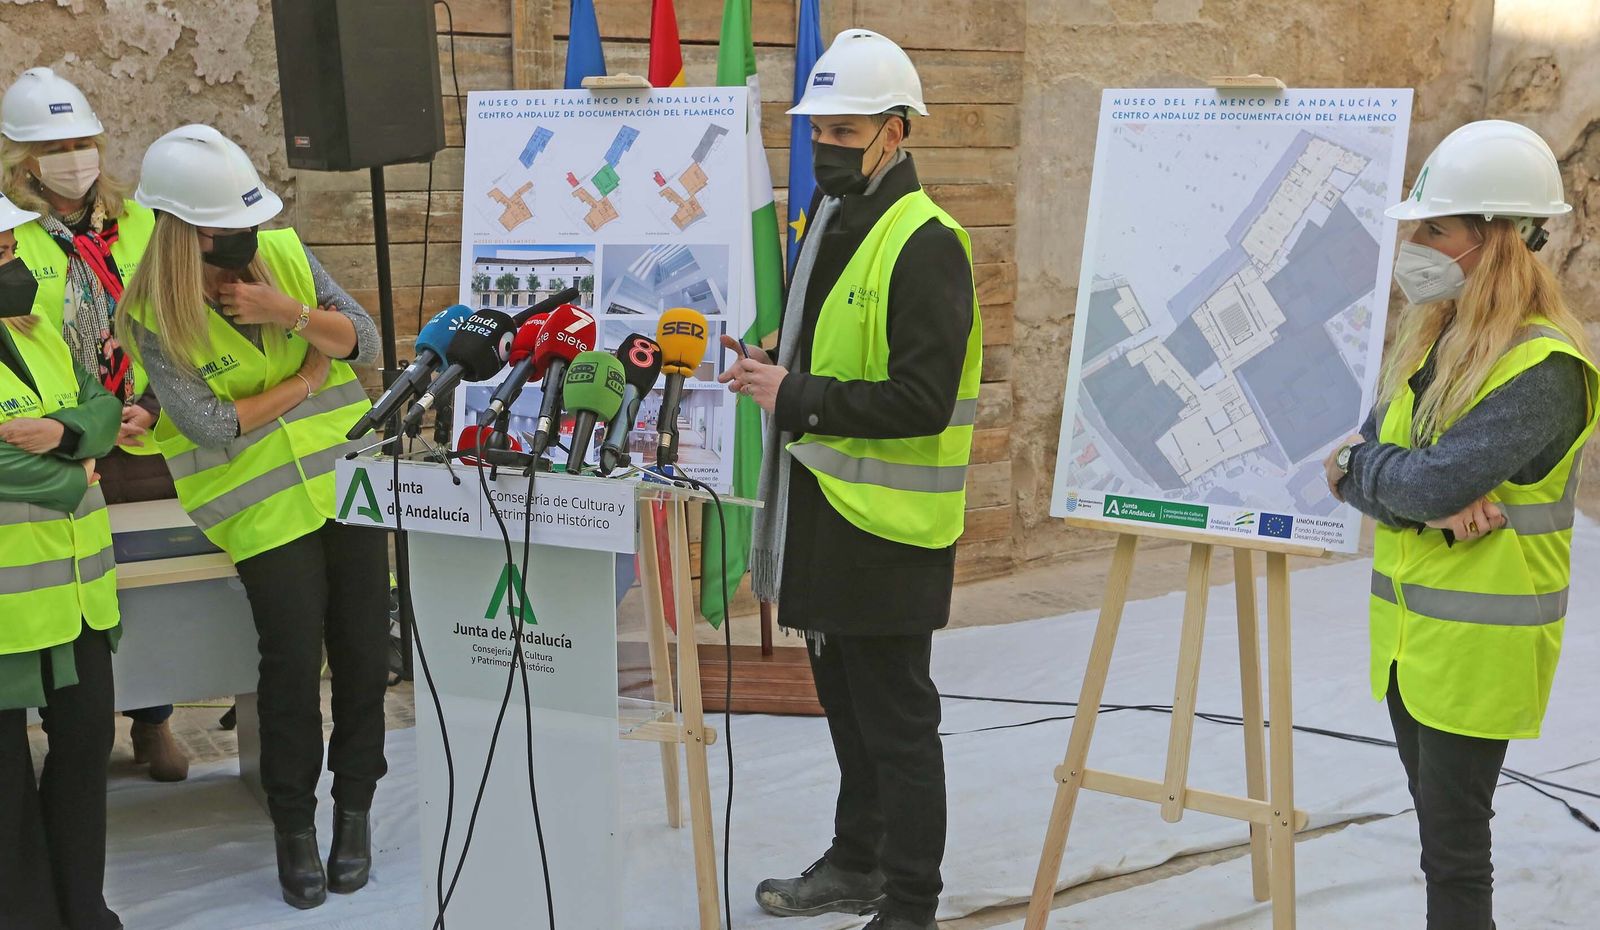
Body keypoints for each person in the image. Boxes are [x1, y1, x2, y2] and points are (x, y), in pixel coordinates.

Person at [722, 29, 983, 930]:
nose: (824, 146)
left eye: (843, 131)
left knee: (898, 725)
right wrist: (772, 360)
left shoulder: (927, 242)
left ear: (895, 134)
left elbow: (919, 396)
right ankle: (857, 860)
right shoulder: (834, 220)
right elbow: (829, 350)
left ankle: (911, 902)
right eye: (817, 130)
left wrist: (793, 391)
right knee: (846, 714)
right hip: (824, 514)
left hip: (888, 531)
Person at [1326, 119, 1598, 930]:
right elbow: (1372, 466)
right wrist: (1375, 477)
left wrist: (1371, 474)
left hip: (1479, 656)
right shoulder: (1434, 342)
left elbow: (1407, 474)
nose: (1414, 244)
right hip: (1412, 645)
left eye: (1434, 228)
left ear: (1499, 240)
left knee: (1452, 852)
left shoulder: (1544, 370)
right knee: (1436, 839)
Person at [116, 124, 389, 910]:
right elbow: (211, 424)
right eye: (221, 235)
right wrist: (307, 380)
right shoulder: (153, 314)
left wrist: (289, 310)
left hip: (349, 488)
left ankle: (355, 810)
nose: (242, 241)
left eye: (246, 227)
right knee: (291, 668)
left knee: (367, 658)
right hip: (261, 517)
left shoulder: (288, 257)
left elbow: (361, 342)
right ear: (179, 235)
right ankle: (294, 828)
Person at [1, 65, 189, 782]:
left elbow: (175, 316)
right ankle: (81, 726)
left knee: (148, 577)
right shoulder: (16, 235)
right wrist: (80, 428)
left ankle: (154, 717)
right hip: (60, 432)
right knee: (75, 586)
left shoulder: (137, 221)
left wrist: (156, 404)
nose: (75, 159)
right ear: (23, 160)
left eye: (84, 142)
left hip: (145, 422)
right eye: (55, 147)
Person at [0, 190, 125, 930]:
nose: (11, 263)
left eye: (12, 249)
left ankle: (83, 907)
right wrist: (77, 469)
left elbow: (101, 408)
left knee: (84, 751)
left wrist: (70, 434)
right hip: (10, 608)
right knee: (5, 776)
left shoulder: (40, 327)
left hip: (79, 594)